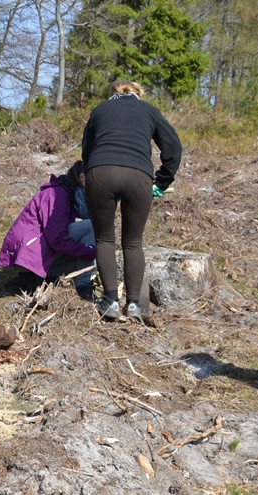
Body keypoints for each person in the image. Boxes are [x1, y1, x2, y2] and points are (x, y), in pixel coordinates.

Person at [81, 80, 182, 321]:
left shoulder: (100, 110)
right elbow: (174, 148)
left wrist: (98, 173)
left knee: (105, 238)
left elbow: (87, 150)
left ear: (112, 93)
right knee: (133, 241)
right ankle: (134, 304)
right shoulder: (149, 111)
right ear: (139, 94)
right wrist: (162, 182)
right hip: (139, 176)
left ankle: (110, 301)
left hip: (101, 172)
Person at [0, 160, 96, 299]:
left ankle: (47, 279)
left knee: (92, 260)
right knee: (90, 227)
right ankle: (84, 289)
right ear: (82, 178)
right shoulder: (57, 196)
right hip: (29, 257)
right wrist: (90, 251)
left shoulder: (64, 196)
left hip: (32, 256)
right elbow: (57, 240)